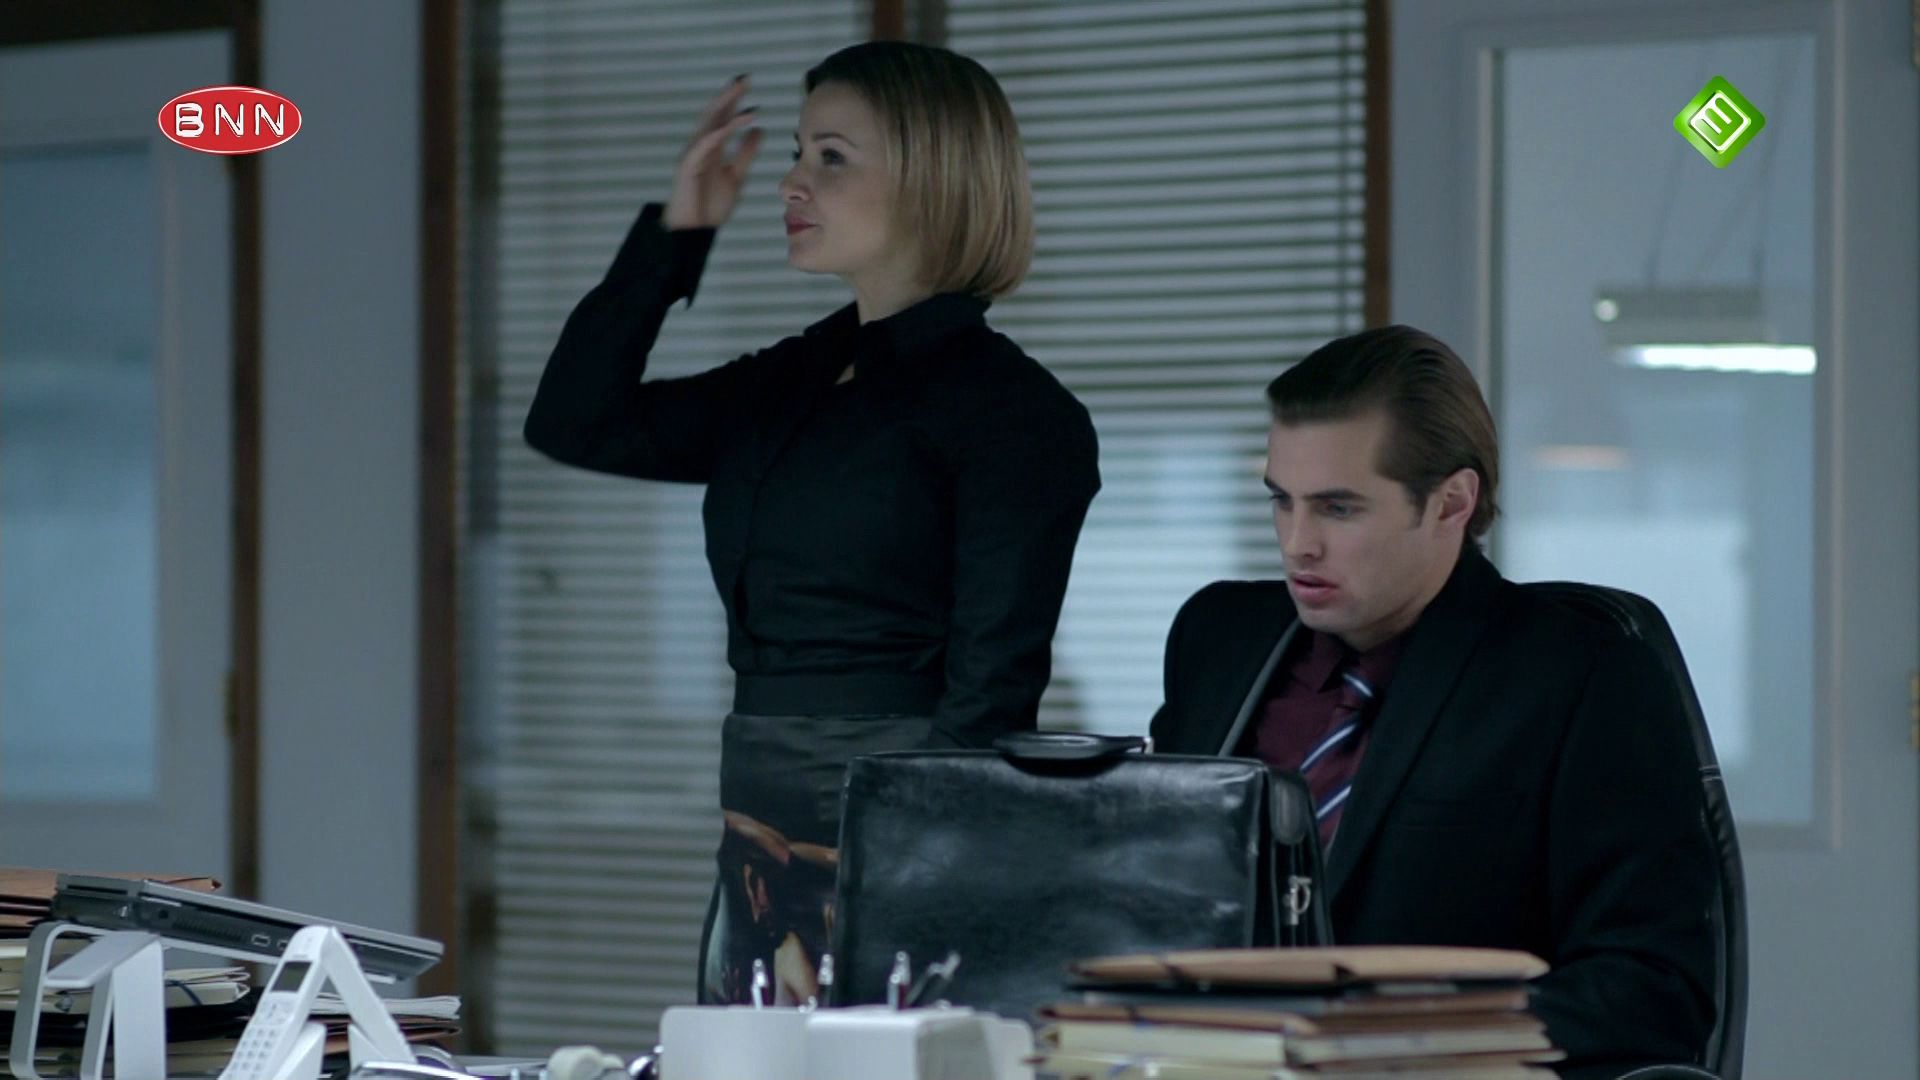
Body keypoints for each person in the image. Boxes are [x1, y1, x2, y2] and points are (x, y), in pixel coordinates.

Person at [523, 42, 1100, 1005]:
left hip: (907, 825)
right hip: (755, 811)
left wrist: (911, 864)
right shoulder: (790, 380)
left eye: (831, 157)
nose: (791, 183)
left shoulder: (1019, 414)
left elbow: (992, 694)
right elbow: (575, 422)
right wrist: (677, 235)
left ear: (930, 176)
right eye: (797, 153)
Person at [1148, 326, 1716, 1078]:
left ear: (1451, 503)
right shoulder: (1217, 637)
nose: (1297, 543)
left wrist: (1393, 1039)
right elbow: (1152, 894)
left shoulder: (1582, 672)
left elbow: (1654, 988)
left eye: (1338, 509)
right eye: (1282, 502)